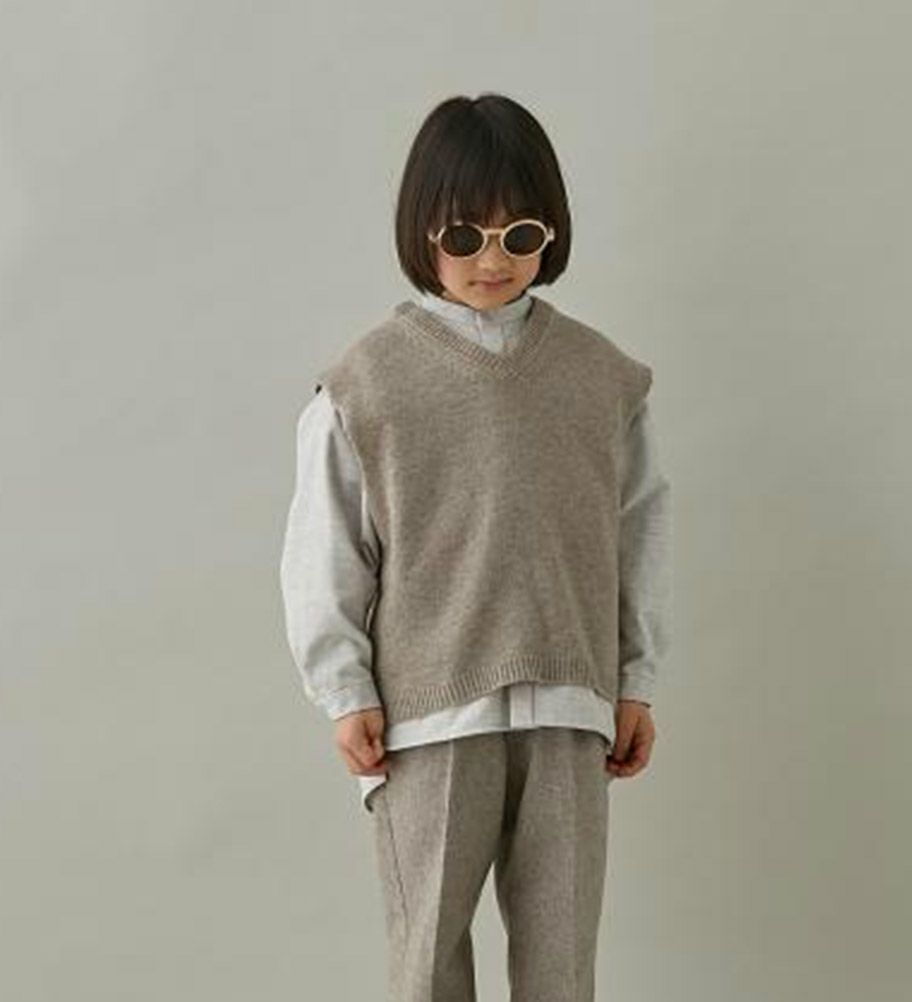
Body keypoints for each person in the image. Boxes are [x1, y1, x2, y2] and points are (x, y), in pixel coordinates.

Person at [279, 92, 671, 1002]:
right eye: (464, 236)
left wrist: (636, 678)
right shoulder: (366, 383)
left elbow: (639, 529)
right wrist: (344, 689)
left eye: (518, 235)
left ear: (551, 233)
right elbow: (325, 545)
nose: (492, 260)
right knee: (428, 962)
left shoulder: (603, 377)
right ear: (422, 231)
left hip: (571, 706)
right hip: (430, 716)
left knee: (562, 967)